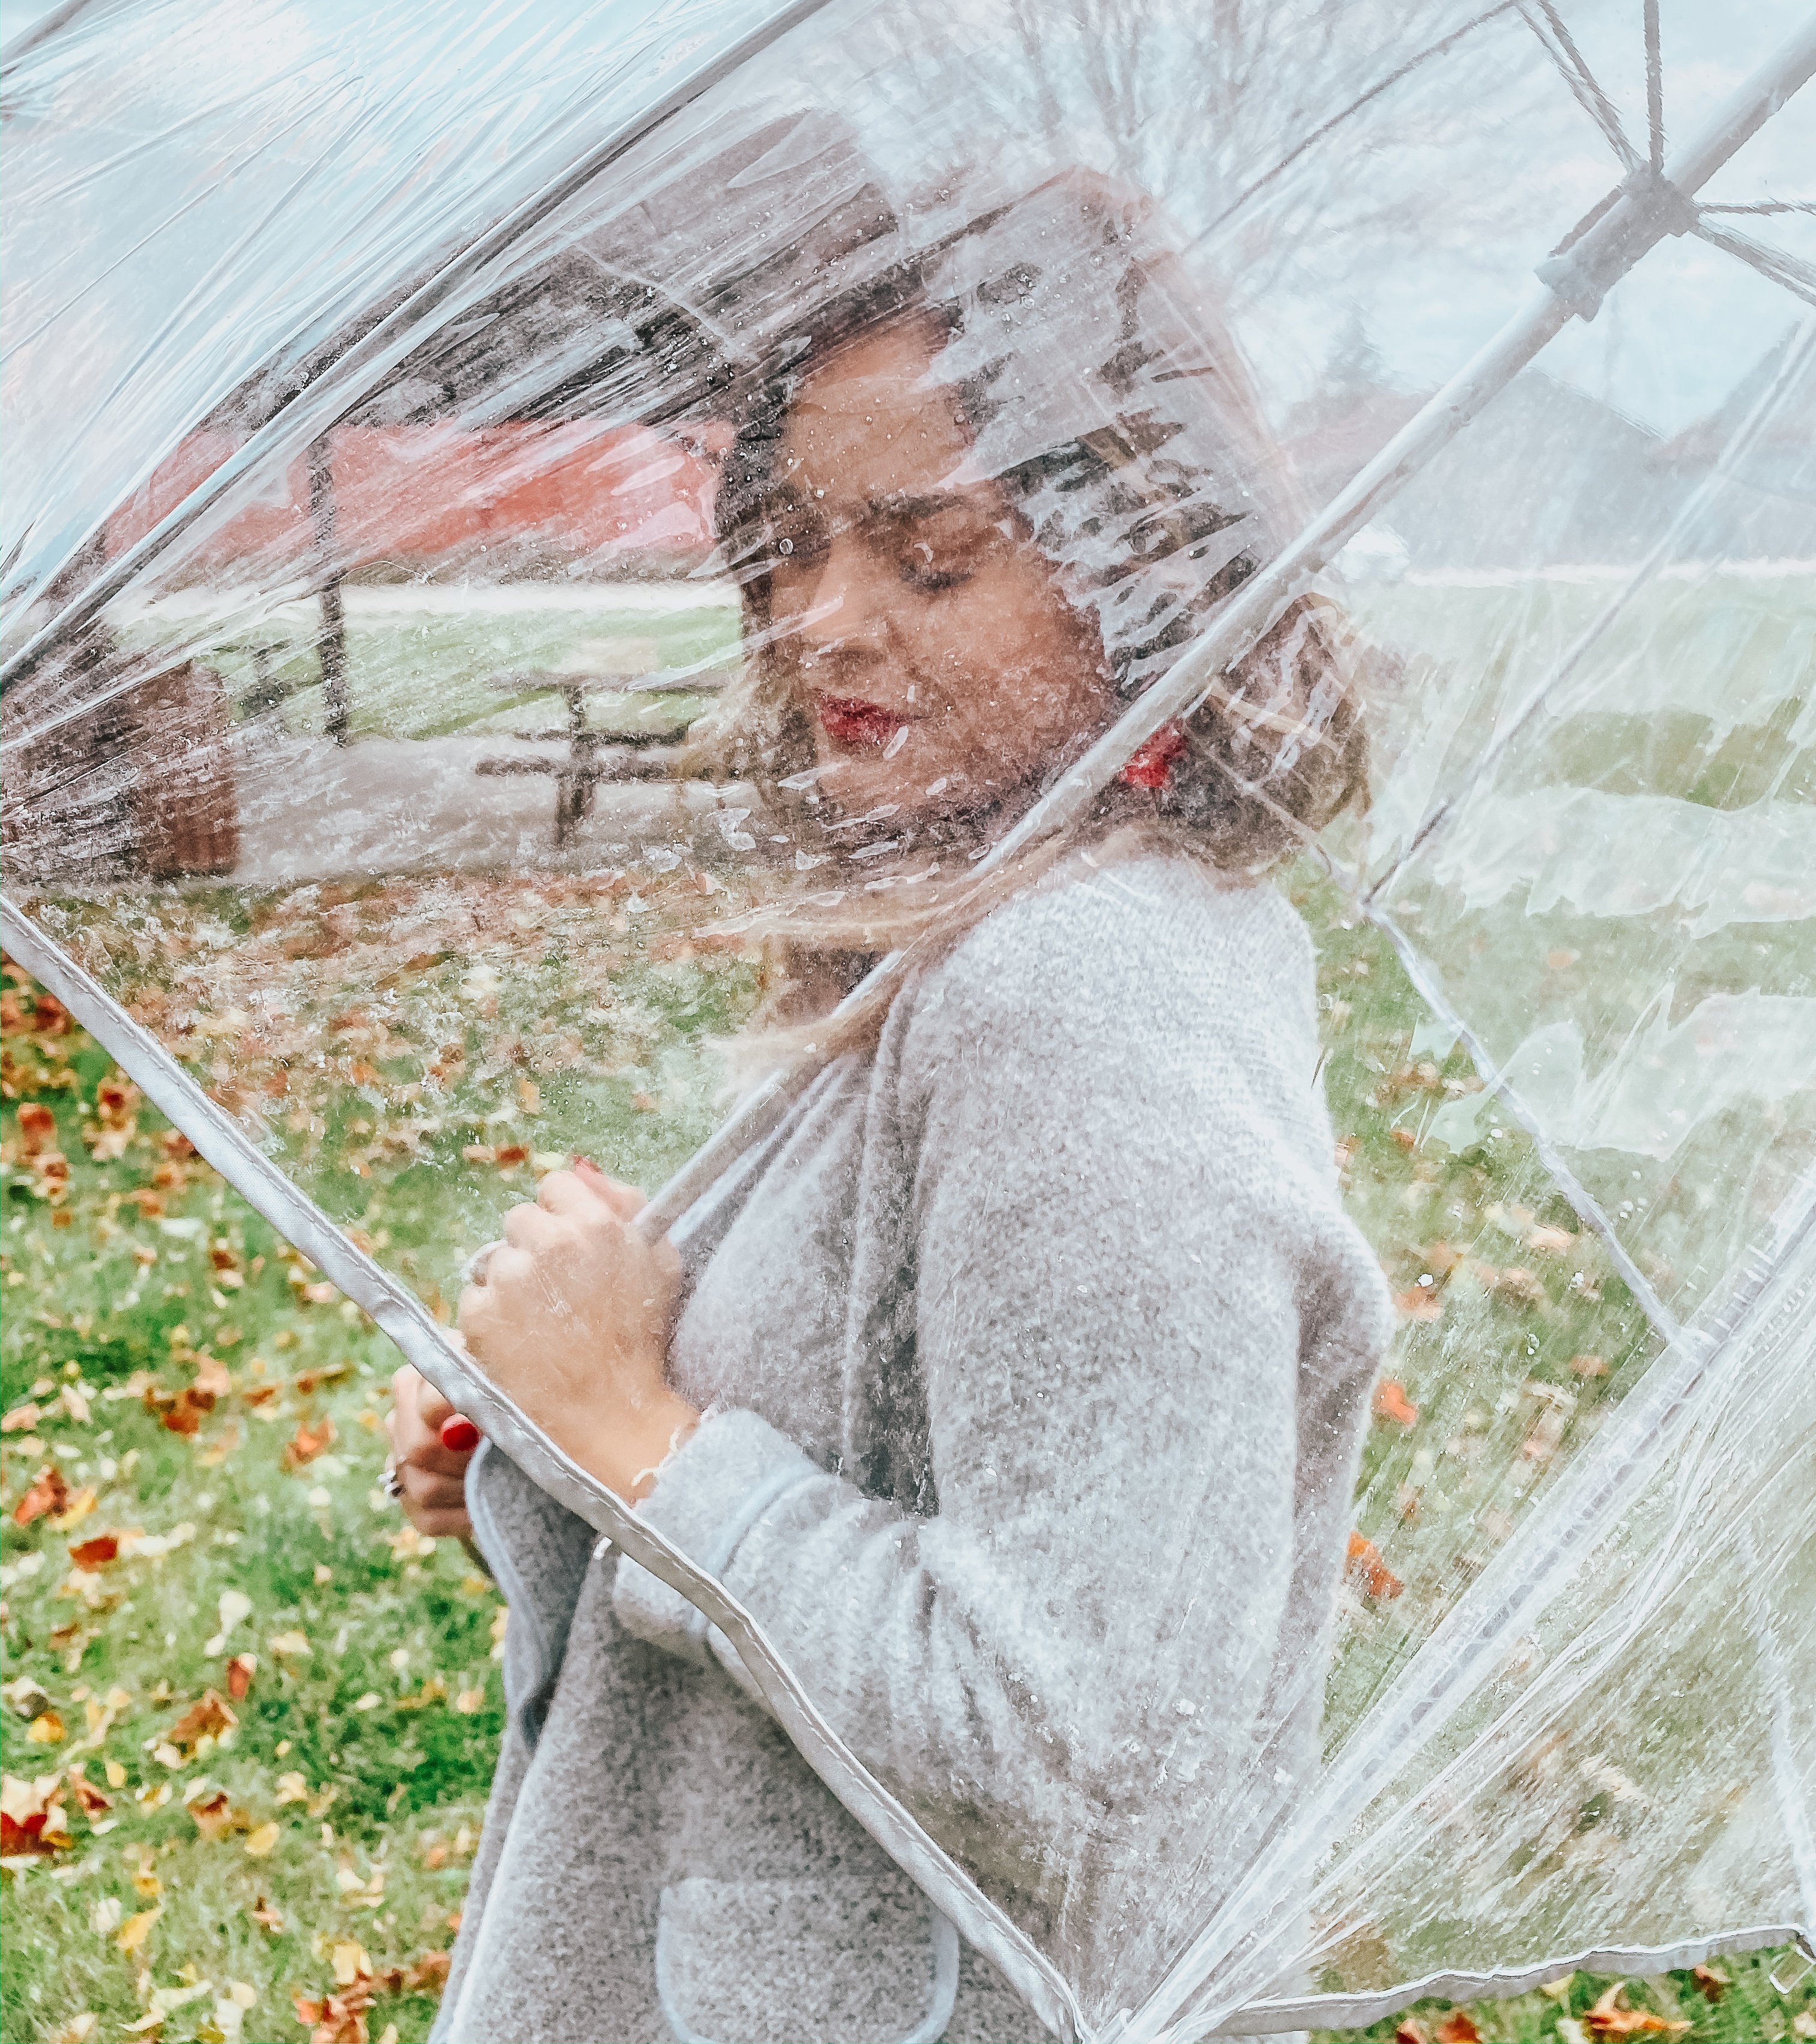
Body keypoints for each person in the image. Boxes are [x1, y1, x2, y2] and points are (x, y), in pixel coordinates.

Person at [390, 168, 1393, 2044]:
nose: (822, 623)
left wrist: (644, 1441)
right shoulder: (996, 926)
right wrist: (553, 1450)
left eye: (929, 555)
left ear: (1139, 564)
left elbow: (1088, 1744)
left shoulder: (1079, 996)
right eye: (788, 546)